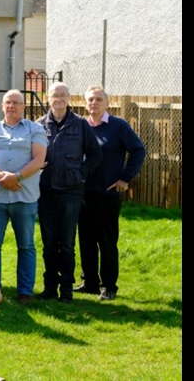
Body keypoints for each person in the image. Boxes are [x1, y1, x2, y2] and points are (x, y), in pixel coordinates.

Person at [76, 85, 146, 301]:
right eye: (90, 100)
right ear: (85, 103)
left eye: (98, 99)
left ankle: (109, 286)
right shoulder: (80, 126)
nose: (94, 103)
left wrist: (125, 178)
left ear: (107, 103)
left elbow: (139, 150)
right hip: (81, 194)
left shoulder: (118, 126)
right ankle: (90, 283)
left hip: (106, 194)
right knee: (85, 240)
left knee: (106, 241)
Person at [0, 90, 48, 304]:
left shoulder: (35, 129)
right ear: (1, 106)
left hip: (24, 198)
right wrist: (1, 176)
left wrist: (16, 176)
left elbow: (39, 160)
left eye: (16, 103)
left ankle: (25, 292)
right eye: (8, 102)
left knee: (26, 245)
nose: (12, 106)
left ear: (24, 106)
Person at [35, 82, 103, 303]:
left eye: (63, 95)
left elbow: (95, 154)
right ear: (48, 98)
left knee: (66, 243)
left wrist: (80, 174)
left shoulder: (81, 125)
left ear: (69, 98)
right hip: (45, 192)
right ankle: (49, 287)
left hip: (71, 192)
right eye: (55, 95)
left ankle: (66, 288)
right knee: (48, 244)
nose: (59, 99)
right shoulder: (38, 126)